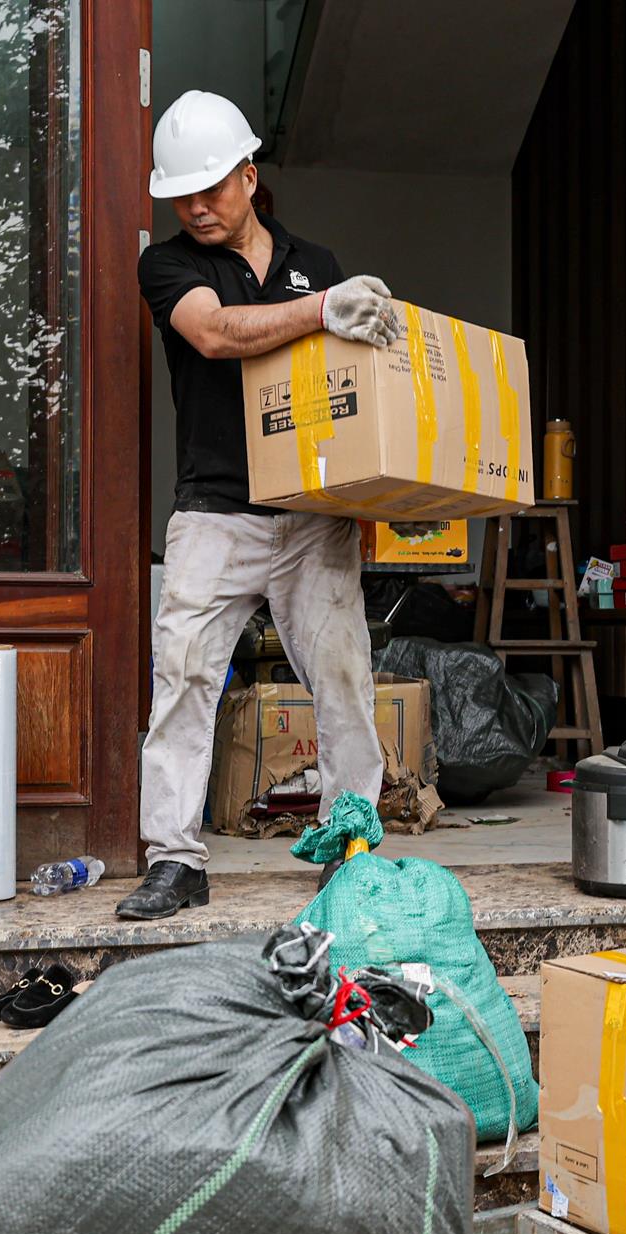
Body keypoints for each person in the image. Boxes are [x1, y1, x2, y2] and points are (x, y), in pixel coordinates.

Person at [119, 90, 400, 922]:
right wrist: (322, 310)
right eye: (181, 194)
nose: (195, 207)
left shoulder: (317, 260)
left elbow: (357, 387)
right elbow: (213, 334)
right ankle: (174, 860)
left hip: (313, 516)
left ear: (248, 175)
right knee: (183, 681)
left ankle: (350, 844)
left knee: (344, 682)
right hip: (213, 512)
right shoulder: (167, 266)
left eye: (210, 188)